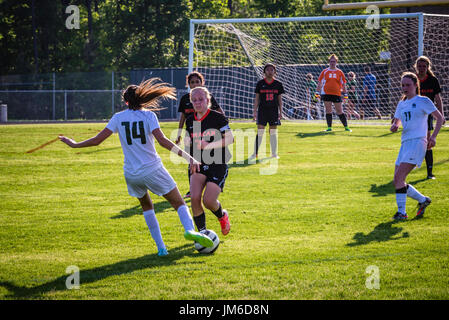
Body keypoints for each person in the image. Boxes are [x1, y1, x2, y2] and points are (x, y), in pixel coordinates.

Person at [59, 78, 215, 256]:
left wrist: (74, 144)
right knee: (179, 203)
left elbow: (97, 141)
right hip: (152, 169)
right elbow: (163, 142)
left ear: (126, 101)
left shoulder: (118, 118)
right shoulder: (149, 116)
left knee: (147, 207)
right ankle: (189, 230)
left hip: (131, 174)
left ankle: (161, 249)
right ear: (142, 98)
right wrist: (190, 158)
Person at [390, 72, 444, 220]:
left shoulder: (423, 101)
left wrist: (433, 137)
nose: (405, 88)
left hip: (418, 142)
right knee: (397, 180)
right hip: (405, 143)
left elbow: (440, 118)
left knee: (399, 178)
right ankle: (423, 200)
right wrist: (395, 125)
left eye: (408, 85)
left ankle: (402, 213)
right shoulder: (402, 103)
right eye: (402, 85)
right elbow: (398, 120)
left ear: (415, 85)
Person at [185, 86, 233, 236]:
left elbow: (230, 139)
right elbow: (188, 144)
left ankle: (221, 215)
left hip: (218, 162)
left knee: (208, 201)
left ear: (208, 100)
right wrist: (190, 158)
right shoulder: (190, 120)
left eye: (201, 99)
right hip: (198, 163)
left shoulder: (217, 117)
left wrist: (209, 145)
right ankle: (202, 233)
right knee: (194, 198)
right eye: (194, 100)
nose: (197, 102)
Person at [175, 71, 225, 199]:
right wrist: (180, 133)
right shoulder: (185, 99)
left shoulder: (207, 96)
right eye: (192, 82)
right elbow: (183, 117)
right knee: (192, 157)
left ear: (202, 82)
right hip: (192, 129)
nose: (195, 84)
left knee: (208, 156)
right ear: (189, 84)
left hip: (207, 130)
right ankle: (193, 188)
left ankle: (210, 183)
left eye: (197, 81)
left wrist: (222, 124)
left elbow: (219, 111)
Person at [414, 56, 445, 180]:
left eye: (424, 66)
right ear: (416, 67)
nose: (421, 69)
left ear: (428, 67)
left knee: (428, 142)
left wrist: (441, 115)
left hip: (426, 115)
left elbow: (438, 99)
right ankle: (410, 164)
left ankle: (429, 173)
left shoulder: (433, 80)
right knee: (415, 141)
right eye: (419, 66)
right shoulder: (413, 79)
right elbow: (406, 96)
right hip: (415, 114)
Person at [251, 63, 284, 159]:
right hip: (262, 111)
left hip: (273, 110)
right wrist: (254, 112)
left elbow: (280, 100)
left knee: (272, 132)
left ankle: (274, 153)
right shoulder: (260, 84)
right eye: (268, 70)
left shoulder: (278, 84)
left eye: (272, 70)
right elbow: (257, 99)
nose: (270, 71)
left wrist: (281, 112)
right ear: (264, 72)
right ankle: (255, 153)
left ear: (275, 72)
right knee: (260, 131)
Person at [315, 54, 351, 132]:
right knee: (328, 110)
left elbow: (344, 84)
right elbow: (320, 83)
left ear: (336, 62)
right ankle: (329, 128)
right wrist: (317, 92)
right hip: (326, 93)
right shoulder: (324, 71)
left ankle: (346, 127)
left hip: (337, 94)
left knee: (340, 111)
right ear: (329, 62)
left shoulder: (340, 72)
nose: (332, 63)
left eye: (334, 61)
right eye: (331, 61)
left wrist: (345, 95)